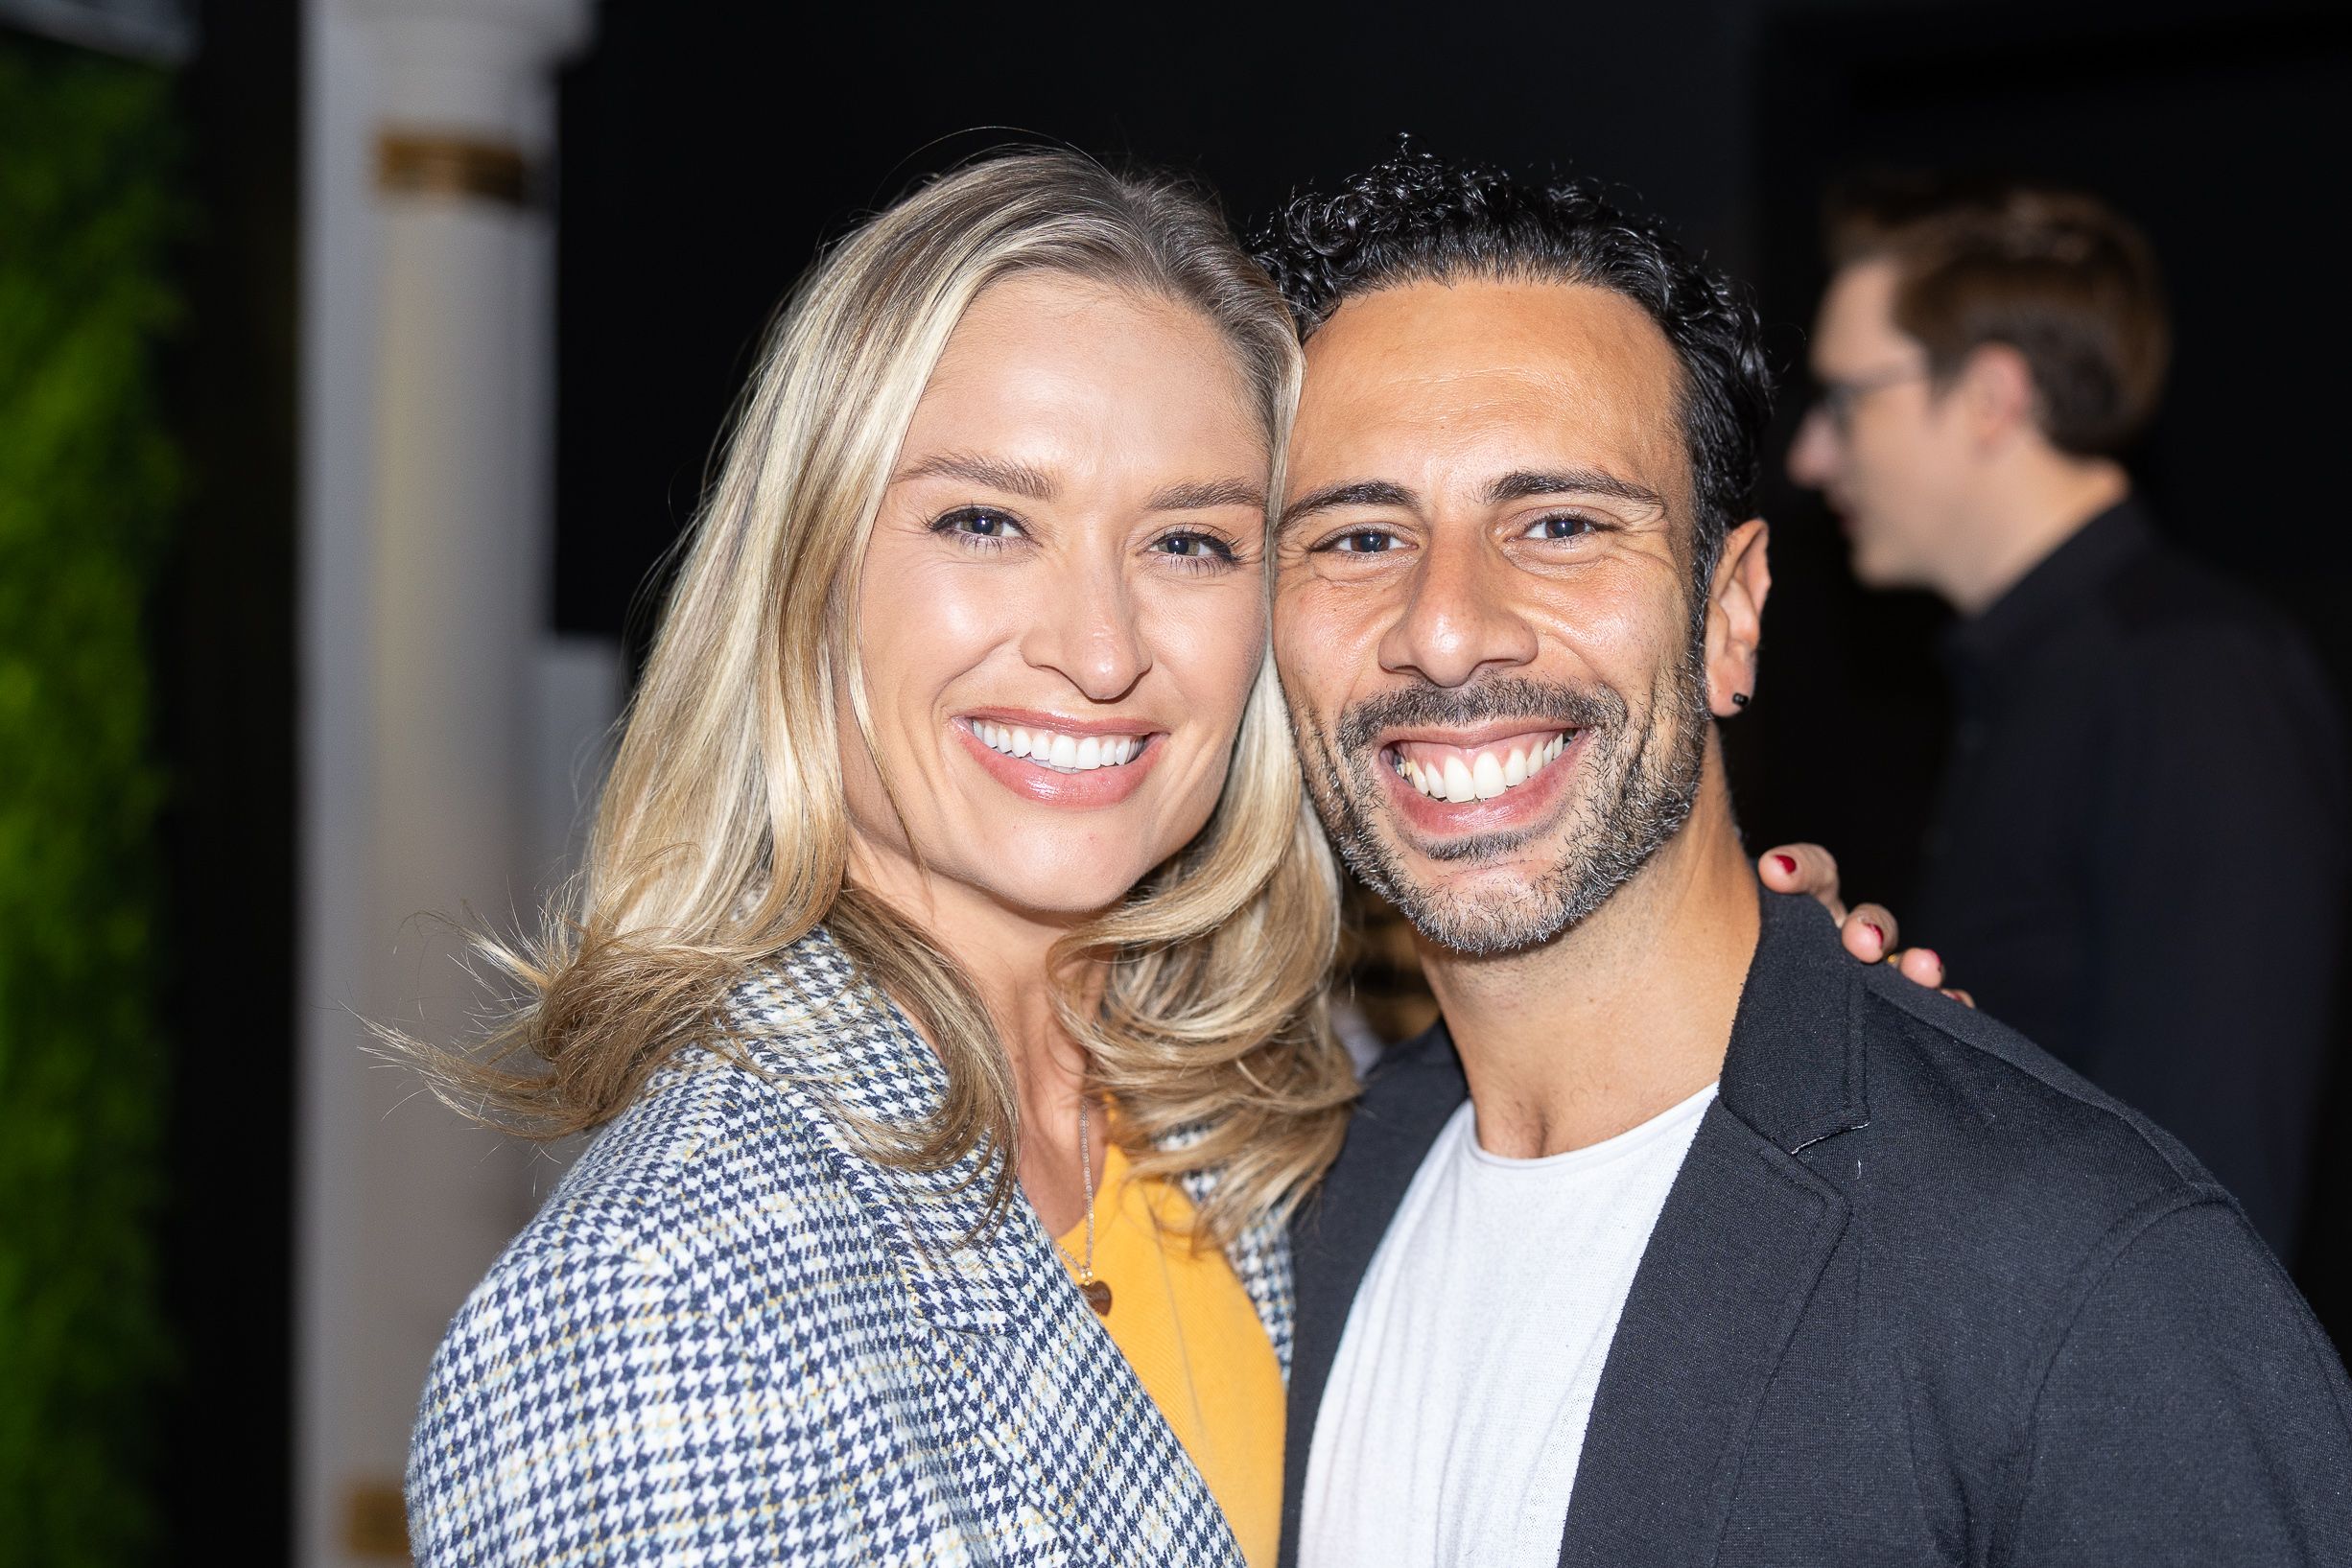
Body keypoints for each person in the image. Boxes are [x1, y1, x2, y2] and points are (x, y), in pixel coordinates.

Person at [400, 151, 1905, 1566]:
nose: (1100, 649)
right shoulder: (665, 1300)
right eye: (987, 520)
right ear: (806, 575)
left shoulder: (1269, 1113)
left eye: (1190, 541)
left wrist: (1764, 1012)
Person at [1253, 149, 2352, 1568]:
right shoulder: (1297, 1210)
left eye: (1562, 523)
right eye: (1358, 533)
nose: (1448, 624)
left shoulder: (2092, 1277)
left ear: (1732, 610)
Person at [1786, 177, 2347, 1254]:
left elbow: (2209, 1193)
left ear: (1992, 396)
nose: (1814, 455)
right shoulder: (2037, 678)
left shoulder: (2193, 676)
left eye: (1849, 399)